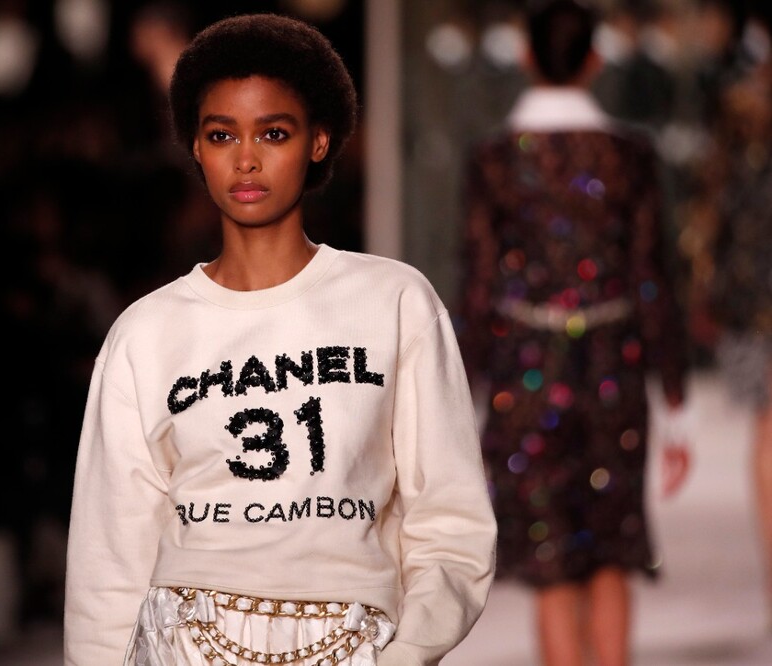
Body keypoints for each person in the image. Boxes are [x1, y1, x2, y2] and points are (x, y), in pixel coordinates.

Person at [64, 13, 496, 666]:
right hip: (183, 645)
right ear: (196, 148)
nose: (246, 158)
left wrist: (405, 654)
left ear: (318, 141)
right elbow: (108, 559)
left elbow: (450, 521)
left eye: (273, 133)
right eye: (221, 135)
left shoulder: (394, 303)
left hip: (353, 646)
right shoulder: (147, 333)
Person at [457, 1, 690, 665]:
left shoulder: (494, 159)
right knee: (611, 553)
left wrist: (461, 395)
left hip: (524, 372)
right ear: (595, 59)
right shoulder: (630, 155)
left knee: (550, 560)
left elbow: (478, 285)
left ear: (526, 56)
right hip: (614, 366)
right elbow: (652, 280)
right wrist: (677, 401)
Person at [683, 2, 772, 625]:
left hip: (752, 295)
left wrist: (707, 283)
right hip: (750, 295)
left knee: (766, 433)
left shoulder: (741, 108)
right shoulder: (738, 108)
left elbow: (715, 201)